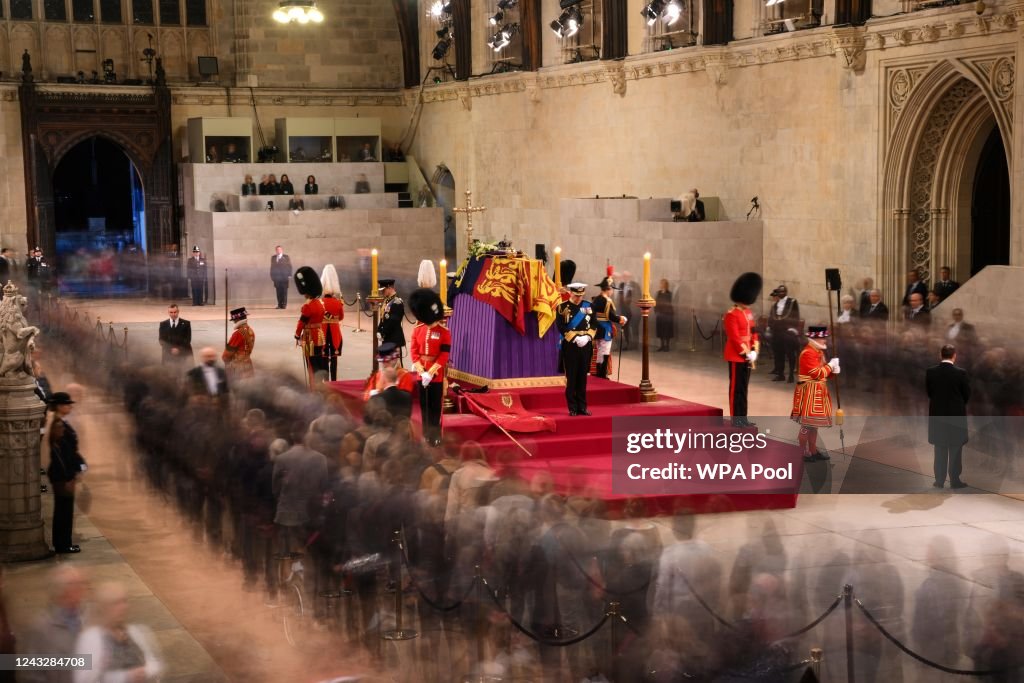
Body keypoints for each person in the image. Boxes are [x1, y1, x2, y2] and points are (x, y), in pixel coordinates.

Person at [72, 582, 164, 683]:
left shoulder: (137, 631)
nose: (124, 607)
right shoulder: (90, 639)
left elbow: (155, 664)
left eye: (124, 601)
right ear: (104, 607)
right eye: (116, 603)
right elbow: (83, 679)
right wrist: (125, 677)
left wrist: (145, 672)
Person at [20, 565, 88, 683]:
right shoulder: (40, 627)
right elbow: (30, 673)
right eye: (76, 585)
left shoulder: (89, 614)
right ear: (62, 592)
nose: (83, 588)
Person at [790, 326, 839, 462]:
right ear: (815, 338)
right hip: (809, 391)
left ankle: (813, 449)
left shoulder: (818, 352)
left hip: (819, 391)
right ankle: (802, 451)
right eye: (822, 338)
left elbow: (825, 375)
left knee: (814, 424)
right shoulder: (808, 353)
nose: (825, 341)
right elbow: (817, 373)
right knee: (807, 423)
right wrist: (830, 366)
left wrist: (834, 370)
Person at [46, 392, 87, 554]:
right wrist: (69, 476)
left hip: (62, 474)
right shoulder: (58, 425)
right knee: (64, 511)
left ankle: (63, 543)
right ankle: (63, 545)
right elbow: (60, 455)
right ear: (58, 406)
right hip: (62, 476)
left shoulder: (60, 422)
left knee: (64, 510)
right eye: (66, 404)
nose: (69, 406)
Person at [410, 288, 451, 447]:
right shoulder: (417, 330)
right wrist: (421, 370)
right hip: (422, 374)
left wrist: (432, 372)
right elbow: (414, 352)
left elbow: (444, 355)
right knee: (424, 407)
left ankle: (435, 436)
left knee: (435, 407)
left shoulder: (444, 332)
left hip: (436, 374)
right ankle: (426, 435)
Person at [927, 344, 970, 489]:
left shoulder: (931, 372)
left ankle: (939, 481)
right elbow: (966, 395)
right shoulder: (961, 373)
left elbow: (930, 393)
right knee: (955, 449)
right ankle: (955, 480)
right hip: (955, 417)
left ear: (941, 355)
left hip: (937, 417)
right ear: (954, 355)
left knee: (940, 449)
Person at [724, 272, 761, 428]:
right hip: (736, 356)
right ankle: (736, 419)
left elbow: (754, 332)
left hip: (748, 356)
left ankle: (743, 419)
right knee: (735, 390)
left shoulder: (748, 312)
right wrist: (746, 353)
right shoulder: (731, 314)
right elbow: (734, 338)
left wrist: (754, 351)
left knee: (744, 389)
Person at [556, 282, 597, 416]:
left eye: (581, 295)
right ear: (570, 292)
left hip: (585, 345)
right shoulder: (562, 307)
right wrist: (574, 338)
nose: (579, 298)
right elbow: (561, 326)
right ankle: (572, 407)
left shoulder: (589, 306)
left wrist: (588, 337)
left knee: (582, 377)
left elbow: (594, 324)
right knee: (572, 377)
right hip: (571, 346)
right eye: (576, 295)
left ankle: (582, 407)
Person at [294, 266, 328, 384]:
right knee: (319, 361)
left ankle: (314, 387)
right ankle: (322, 384)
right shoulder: (320, 304)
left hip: (309, 339)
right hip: (319, 336)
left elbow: (301, 323)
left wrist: (297, 335)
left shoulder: (308, 306)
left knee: (311, 364)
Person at [591, 277, 626, 378]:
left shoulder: (596, 299)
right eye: (612, 289)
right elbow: (611, 316)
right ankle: (602, 374)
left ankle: (599, 372)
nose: (612, 292)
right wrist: (621, 319)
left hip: (597, 328)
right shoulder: (607, 301)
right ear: (608, 289)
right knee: (605, 351)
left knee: (599, 351)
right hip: (605, 328)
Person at [768, 284, 800, 383]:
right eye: (779, 292)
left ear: (786, 292)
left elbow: (796, 316)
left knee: (790, 354)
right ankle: (780, 374)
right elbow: (771, 317)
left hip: (787, 331)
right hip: (777, 331)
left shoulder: (792, 302)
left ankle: (791, 374)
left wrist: (793, 328)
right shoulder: (775, 305)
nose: (781, 293)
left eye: (782, 292)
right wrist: (770, 327)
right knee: (778, 354)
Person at [320, 264, 345, 381]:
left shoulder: (320, 302)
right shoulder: (338, 302)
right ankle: (334, 381)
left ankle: (325, 381)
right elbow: (341, 317)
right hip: (335, 333)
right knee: (334, 359)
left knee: (324, 358)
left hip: (323, 334)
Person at [222, 307, 255, 381]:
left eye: (234, 320)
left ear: (238, 319)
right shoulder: (251, 331)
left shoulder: (238, 334)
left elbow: (226, 355)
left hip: (238, 367)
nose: (234, 322)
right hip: (248, 364)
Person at [377, 278, 406, 359]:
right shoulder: (387, 301)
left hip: (394, 338)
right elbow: (383, 318)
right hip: (387, 337)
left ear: (389, 287)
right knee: (386, 364)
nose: (382, 292)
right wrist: (379, 329)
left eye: (383, 290)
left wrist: (383, 332)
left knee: (395, 366)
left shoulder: (397, 302)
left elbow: (394, 321)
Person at [655, 278, 674, 352]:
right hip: (660, 314)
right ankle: (662, 345)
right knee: (660, 330)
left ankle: (667, 346)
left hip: (667, 315)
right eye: (661, 283)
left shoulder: (669, 293)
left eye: (663, 284)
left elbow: (669, 303)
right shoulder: (658, 293)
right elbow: (656, 302)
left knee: (667, 330)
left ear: (666, 285)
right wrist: (656, 310)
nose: (661, 285)